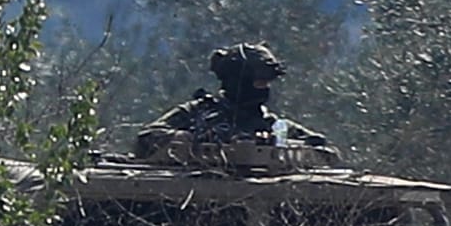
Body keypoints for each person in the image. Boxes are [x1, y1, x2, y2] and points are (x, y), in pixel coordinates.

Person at [134, 43, 331, 158]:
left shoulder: (275, 126)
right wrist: (195, 140)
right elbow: (145, 139)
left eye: (266, 83)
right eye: (258, 82)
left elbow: (327, 153)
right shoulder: (196, 113)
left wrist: (279, 145)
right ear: (238, 81)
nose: (264, 89)